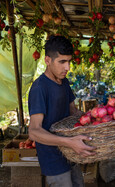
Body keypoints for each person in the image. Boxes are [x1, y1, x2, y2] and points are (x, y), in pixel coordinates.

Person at [28, 35, 96, 187]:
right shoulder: (40, 88)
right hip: (54, 162)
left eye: (69, 61)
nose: (68, 67)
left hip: (71, 155)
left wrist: (94, 117)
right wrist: (69, 142)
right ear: (47, 60)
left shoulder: (64, 82)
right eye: (62, 62)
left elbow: (72, 111)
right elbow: (34, 131)